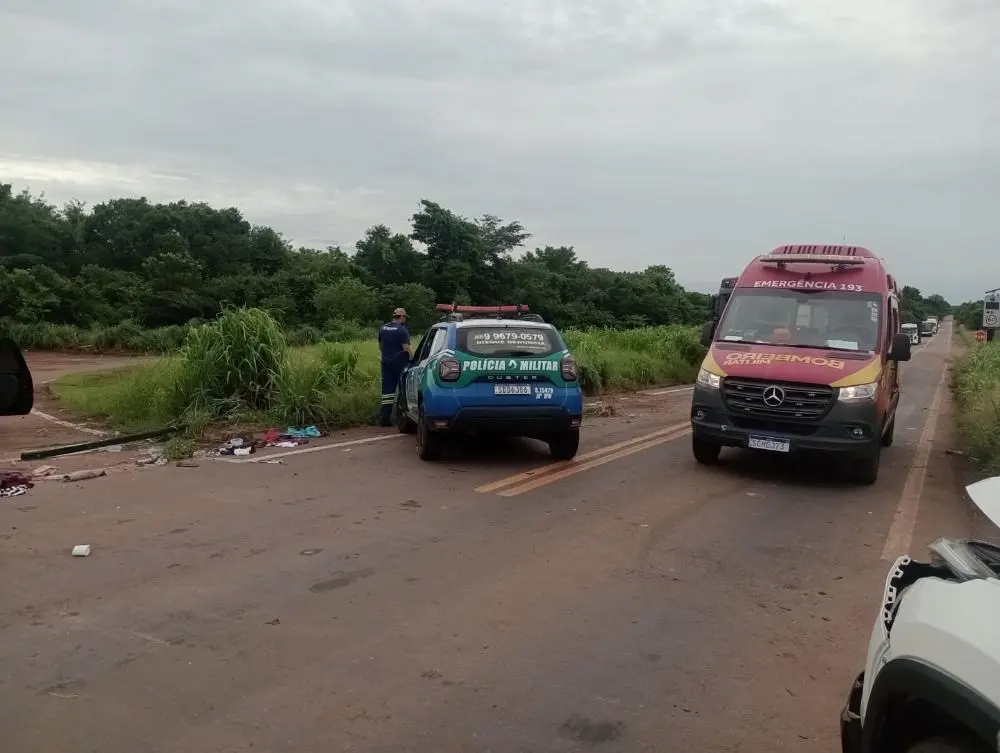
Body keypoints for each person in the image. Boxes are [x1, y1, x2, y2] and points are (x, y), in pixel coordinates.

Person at [378, 307, 411, 426]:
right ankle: (402, 418)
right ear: (401, 317)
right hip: (400, 364)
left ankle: (384, 418)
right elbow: (406, 349)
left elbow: (380, 346)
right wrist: (412, 360)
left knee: (387, 392)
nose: (405, 320)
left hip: (386, 363)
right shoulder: (402, 331)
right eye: (405, 317)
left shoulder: (383, 328)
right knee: (403, 391)